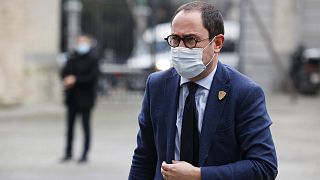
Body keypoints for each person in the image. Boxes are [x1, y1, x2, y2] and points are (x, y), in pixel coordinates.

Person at [129, 1, 277, 180]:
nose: (180, 48)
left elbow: (264, 166)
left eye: (191, 40)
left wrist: (199, 175)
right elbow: (144, 157)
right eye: (175, 39)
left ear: (217, 43)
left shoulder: (244, 93)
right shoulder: (157, 85)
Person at [60, 34, 99, 163]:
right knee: (70, 127)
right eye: (79, 42)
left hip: (86, 99)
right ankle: (68, 153)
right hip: (72, 98)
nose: (81, 44)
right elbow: (64, 72)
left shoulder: (93, 59)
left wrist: (75, 80)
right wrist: (66, 78)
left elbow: (92, 77)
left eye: (84, 42)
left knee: (85, 126)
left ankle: (84, 154)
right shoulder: (72, 57)